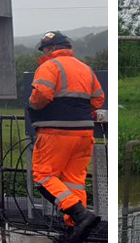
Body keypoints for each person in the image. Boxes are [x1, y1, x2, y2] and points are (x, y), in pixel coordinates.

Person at [28, 31, 104, 242]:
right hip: (84, 133)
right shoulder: (85, 68)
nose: (43, 53)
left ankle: (80, 215)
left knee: (43, 177)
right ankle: (75, 232)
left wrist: (34, 105)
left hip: (56, 133)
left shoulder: (49, 66)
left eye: (44, 49)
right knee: (74, 182)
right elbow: (98, 99)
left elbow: (41, 94)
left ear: (51, 48)